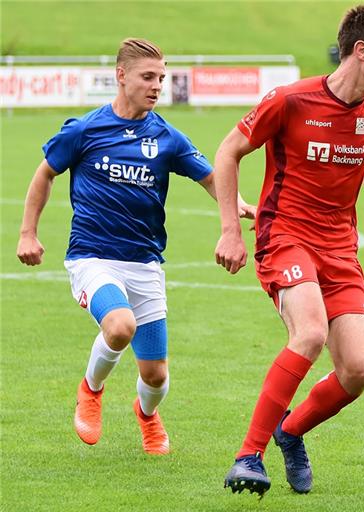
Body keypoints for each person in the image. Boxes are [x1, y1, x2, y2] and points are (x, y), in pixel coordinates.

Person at [213, 5, 364, 497]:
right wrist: (231, 229)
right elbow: (227, 151)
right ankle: (247, 455)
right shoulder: (290, 100)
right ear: (360, 50)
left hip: (340, 248)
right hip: (285, 235)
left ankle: (290, 431)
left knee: (359, 370)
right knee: (310, 332)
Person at [15, 38, 255, 455]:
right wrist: (27, 233)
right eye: (148, 76)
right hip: (92, 257)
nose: (157, 85)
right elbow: (44, 174)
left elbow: (211, 178)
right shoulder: (85, 129)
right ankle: (91, 390)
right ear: (121, 76)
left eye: (162, 78)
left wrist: (237, 205)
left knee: (156, 376)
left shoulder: (168, 137)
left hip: (144, 263)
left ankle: (147, 416)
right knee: (120, 326)